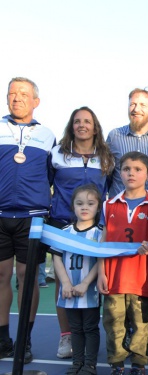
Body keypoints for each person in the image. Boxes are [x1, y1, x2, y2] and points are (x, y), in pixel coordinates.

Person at [50, 106, 114, 359]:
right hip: (61, 224)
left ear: (95, 126)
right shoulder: (57, 154)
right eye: (77, 121)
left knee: (92, 277)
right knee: (62, 278)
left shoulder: (106, 157)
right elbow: (46, 182)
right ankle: (67, 337)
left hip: (93, 229)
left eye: (87, 121)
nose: (82, 125)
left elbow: (106, 189)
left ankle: (91, 333)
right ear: (71, 126)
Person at [0, 77, 56, 363]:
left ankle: (25, 340)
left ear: (36, 101)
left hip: (32, 218)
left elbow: (52, 175)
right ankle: (2, 339)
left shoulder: (48, 135)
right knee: (0, 276)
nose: (16, 98)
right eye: (11, 93)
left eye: (23, 94)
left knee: (27, 278)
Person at [97, 151, 148, 375]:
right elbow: (103, 242)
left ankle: (138, 364)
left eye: (137, 169)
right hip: (114, 277)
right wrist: (101, 273)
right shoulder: (109, 204)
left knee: (140, 323)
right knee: (113, 323)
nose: (131, 173)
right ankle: (116, 364)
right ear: (120, 172)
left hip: (144, 278)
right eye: (126, 169)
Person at [52, 184, 104, 375]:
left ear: (98, 207)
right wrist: (65, 282)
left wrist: (85, 283)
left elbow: (100, 261)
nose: (84, 207)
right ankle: (77, 362)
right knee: (75, 328)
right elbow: (57, 257)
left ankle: (90, 364)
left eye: (90, 204)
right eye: (79, 203)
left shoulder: (99, 233)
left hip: (88, 291)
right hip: (69, 291)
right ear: (73, 206)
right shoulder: (65, 232)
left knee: (90, 327)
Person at [107, 88, 148, 198]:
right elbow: (107, 173)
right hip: (118, 208)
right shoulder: (114, 136)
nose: (136, 109)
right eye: (132, 104)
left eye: (143, 105)